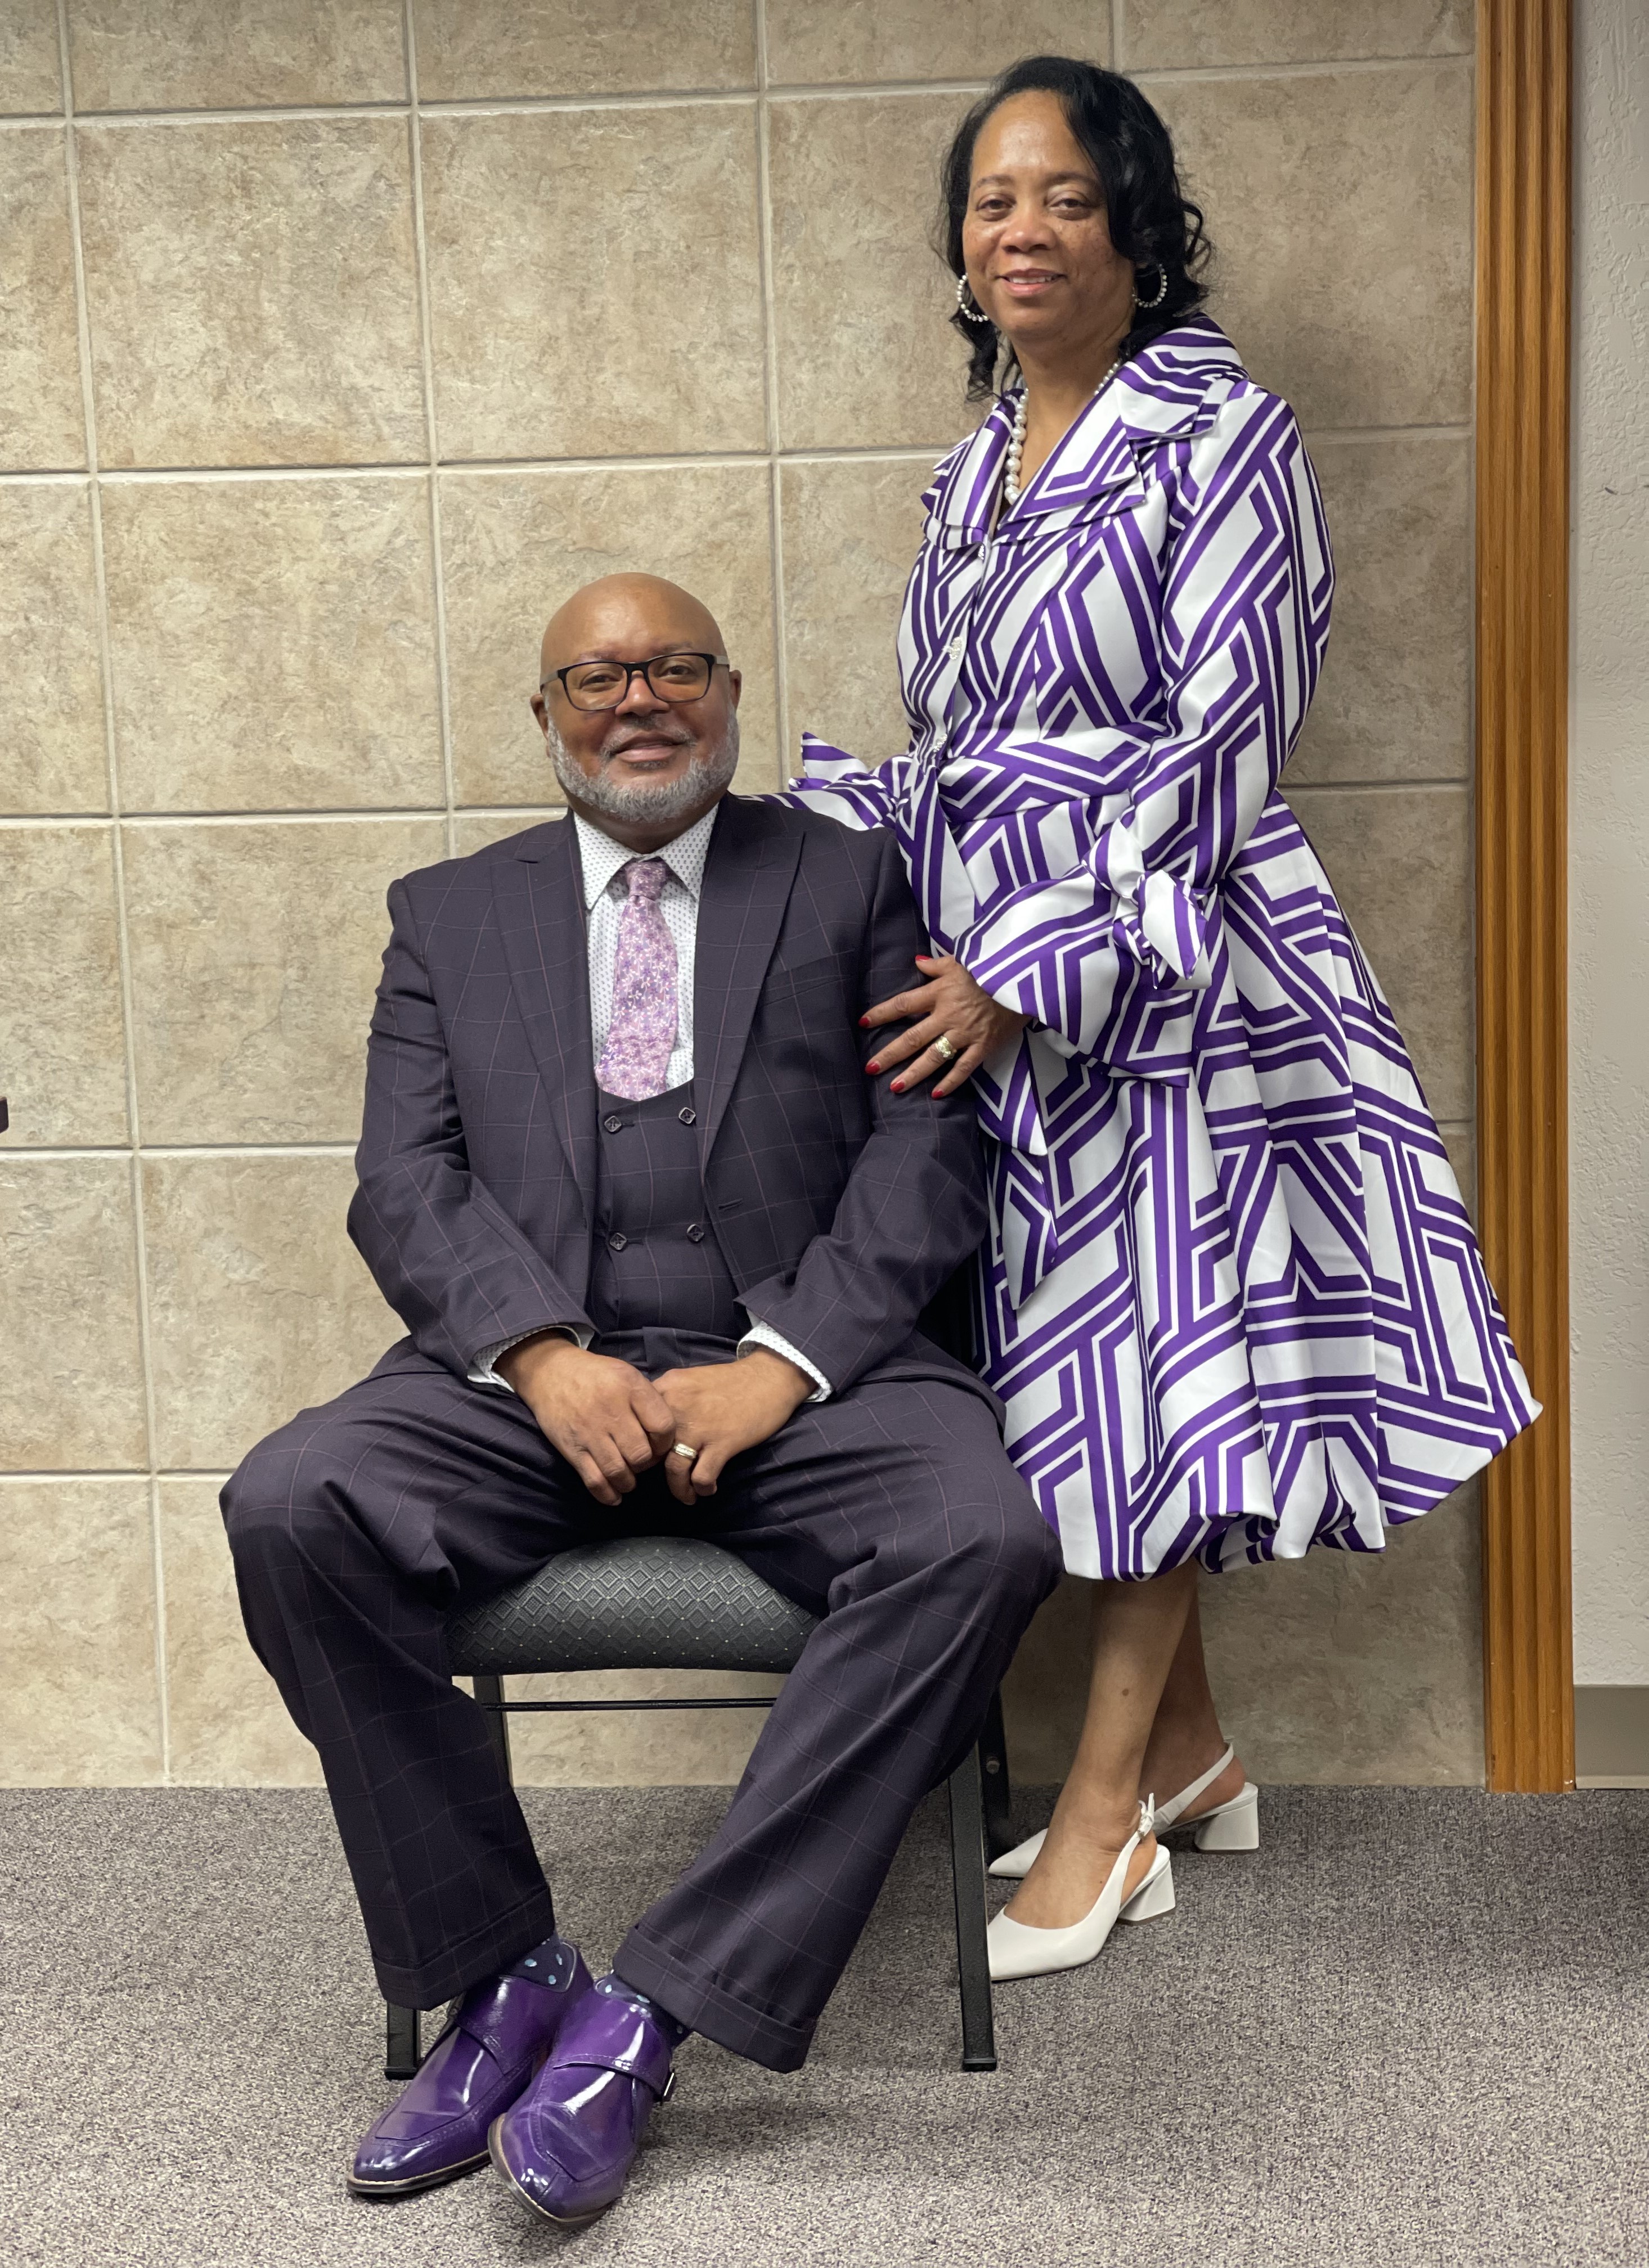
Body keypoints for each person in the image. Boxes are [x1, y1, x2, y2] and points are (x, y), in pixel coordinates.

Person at [783, 56, 1539, 1982]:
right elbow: (968, 747)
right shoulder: (971, 467)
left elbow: (1221, 745)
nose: (1020, 232)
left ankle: (1109, 1820)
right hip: (983, 981)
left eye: (1062, 198)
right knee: (1093, 1400)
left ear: (1135, 225)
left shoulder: (1226, 437)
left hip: (1162, 971)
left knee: (1152, 1389)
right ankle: (1191, 1750)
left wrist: (1031, 969)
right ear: (958, 248)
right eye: (988, 203)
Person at [220, 572, 1061, 2228]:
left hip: (807, 1379)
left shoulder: (847, 880)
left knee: (980, 1535)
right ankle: (503, 1969)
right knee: (293, 1504)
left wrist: (784, 1363)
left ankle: (650, 2010)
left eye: (677, 668)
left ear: (730, 693)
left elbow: (928, 1154)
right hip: (538, 1374)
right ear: (545, 718)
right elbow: (406, 1184)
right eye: (596, 678)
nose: (640, 700)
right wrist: (537, 1354)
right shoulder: (447, 914)